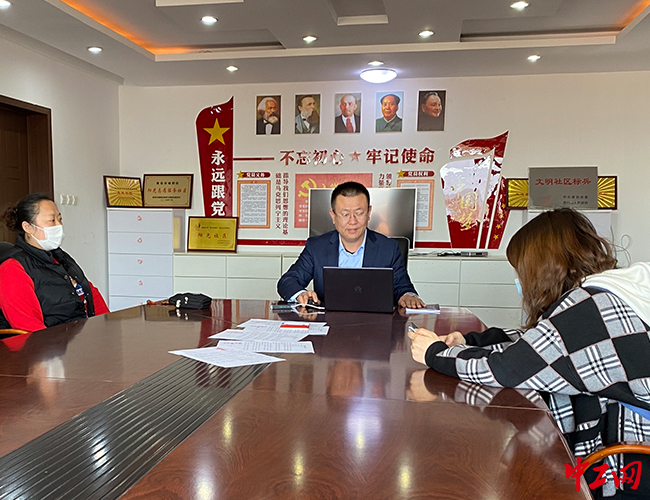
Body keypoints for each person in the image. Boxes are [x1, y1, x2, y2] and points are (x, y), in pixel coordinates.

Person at [409, 208, 650, 498]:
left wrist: (434, 353)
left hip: (631, 467)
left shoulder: (588, 308)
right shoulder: (614, 289)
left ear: (542, 269)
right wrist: (471, 341)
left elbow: (506, 369)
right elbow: (538, 342)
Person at [277, 181, 424, 309]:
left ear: (369, 213)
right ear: (333, 216)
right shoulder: (316, 247)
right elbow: (288, 281)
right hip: (328, 324)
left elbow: (402, 286)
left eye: (359, 213)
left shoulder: (388, 248)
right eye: (345, 214)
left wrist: (408, 296)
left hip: (376, 325)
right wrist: (300, 294)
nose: (352, 221)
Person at [0, 193, 109, 332]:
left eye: (60, 219)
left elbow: (89, 292)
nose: (59, 225)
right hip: (47, 342)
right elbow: (29, 327)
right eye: (51, 220)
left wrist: (106, 327)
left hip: (78, 335)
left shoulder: (60, 256)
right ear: (28, 227)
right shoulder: (12, 268)